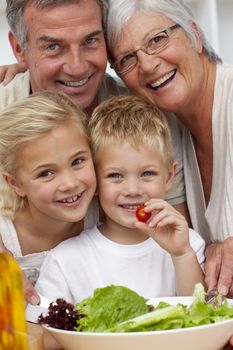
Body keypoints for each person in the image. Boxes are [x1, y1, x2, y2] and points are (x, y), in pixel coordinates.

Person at [0, 0, 189, 304]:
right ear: (20, 50)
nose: (77, 66)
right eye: (53, 47)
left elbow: (169, 237)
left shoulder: (142, 114)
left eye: (90, 41)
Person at [104, 0, 233, 299]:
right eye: (127, 59)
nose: (147, 65)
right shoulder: (168, 129)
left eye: (157, 39)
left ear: (195, 36)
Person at [35, 94, 205, 303]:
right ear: (95, 181)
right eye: (115, 175)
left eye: (147, 173)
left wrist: (181, 256)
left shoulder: (189, 245)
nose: (132, 189)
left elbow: (201, 317)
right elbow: (43, 331)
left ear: (169, 177)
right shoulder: (65, 260)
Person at [0, 90, 97, 302]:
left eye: (78, 161)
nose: (70, 184)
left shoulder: (105, 214)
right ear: (15, 183)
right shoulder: (6, 234)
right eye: (46, 173)